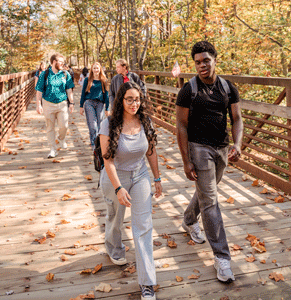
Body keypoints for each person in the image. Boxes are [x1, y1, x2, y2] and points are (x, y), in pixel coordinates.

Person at [176, 41, 243, 283]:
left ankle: (188, 220)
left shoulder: (228, 87)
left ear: (215, 59)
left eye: (206, 60)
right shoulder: (188, 90)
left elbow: (236, 118)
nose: (202, 65)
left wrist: (237, 144)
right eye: (197, 62)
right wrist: (186, 161)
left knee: (207, 192)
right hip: (199, 148)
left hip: (222, 148)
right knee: (211, 200)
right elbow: (181, 126)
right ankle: (222, 258)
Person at [99, 82, 162, 300]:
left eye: (137, 99)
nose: (134, 104)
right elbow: (107, 160)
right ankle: (114, 245)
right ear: (121, 101)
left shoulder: (145, 121)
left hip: (140, 175)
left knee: (143, 227)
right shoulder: (109, 123)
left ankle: (147, 283)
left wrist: (157, 178)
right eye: (129, 99)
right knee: (115, 217)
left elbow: (151, 150)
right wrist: (118, 188)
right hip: (115, 176)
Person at [35, 53, 75, 158]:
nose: (63, 64)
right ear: (54, 62)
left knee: (64, 126)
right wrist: (38, 105)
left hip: (62, 103)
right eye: (61, 62)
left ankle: (61, 138)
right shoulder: (45, 74)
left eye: (63, 62)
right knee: (50, 128)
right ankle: (53, 149)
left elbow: (69, 90)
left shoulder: (65, 74)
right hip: (48, 104)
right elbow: (39, 90)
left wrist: (71, 103)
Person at [80, 62, 109, 149]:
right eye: (94, 68)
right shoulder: (87, 80)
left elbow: (106, 95)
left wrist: (107, 108)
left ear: (100, 69)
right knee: (92, 125)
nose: (96, 70)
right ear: (91, 70)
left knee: (100, 124)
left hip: (100, 103)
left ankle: (100, 142)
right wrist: (81, 106)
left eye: (97, 68)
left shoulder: (104, 80)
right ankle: (93, 144)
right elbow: (83, 94)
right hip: (89, 103)